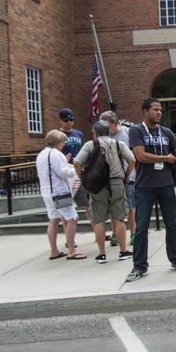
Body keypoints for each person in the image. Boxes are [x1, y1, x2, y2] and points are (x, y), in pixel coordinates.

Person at [126, 97, 176, 282]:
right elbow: (140, 155)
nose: (159, 112)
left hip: (165, 185)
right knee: (141, 228)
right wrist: (165, 159)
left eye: (160, 110)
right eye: (155, 109)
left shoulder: (166, 132)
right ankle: (139, 267)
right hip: (144, 186)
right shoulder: (136, 130)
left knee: (172, 224)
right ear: (145, 112)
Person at [75, 121, 136, 264]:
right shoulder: (118, 144)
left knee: (99, 219)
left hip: (97, 185)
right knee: (119, 218)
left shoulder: (90, 145)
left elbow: (77, 163)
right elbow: (132, 159)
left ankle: (102, 254)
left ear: (95, 132)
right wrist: (126, 175)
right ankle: (123, 251)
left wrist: (83, 178)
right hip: (117, 182)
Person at [36, 130, 85, 260]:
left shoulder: (41, 154)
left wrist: (65, 162)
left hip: (47, 192)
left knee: (54, 219)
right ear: (57, 142)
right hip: (59, 192)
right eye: (63, 142)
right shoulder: (56, 154)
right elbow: (63, 172)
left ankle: (54, 250)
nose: (64, 144)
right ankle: (71, 250)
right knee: (72, 218)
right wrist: (76, 168)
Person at [100, 110, 137, 247]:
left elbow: (134, 155)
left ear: (115, 123)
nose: (105, 129)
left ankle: (134, 233)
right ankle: (115, 233)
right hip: (110, 177)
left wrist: (129, 174)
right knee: (112, 208)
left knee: (131, 207)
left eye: (107, 126)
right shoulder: (104, 136)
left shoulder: (127, 133)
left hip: (129, 176)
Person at [58, 108, 91, 219]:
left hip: (78, 173)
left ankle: (98, 233)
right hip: (65, 175)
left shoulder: (79, 134)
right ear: (61, 121)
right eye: (66, 120)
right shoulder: (57, 135)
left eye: (72, 120)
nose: (69, 122)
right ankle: (67, 232)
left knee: (87, 203)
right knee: (64, 205)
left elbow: (84, 151)